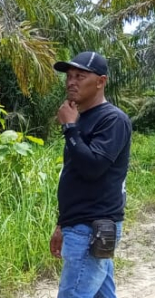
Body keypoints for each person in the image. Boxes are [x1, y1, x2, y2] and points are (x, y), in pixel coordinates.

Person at [50, 51, 132, 298]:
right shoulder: (81, 119)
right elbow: (74, 177)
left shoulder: (113, 119)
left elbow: (93, 167)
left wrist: (69, 128)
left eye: (80, 76)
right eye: (69, 76)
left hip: (93, 227)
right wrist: (62, 223)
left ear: (101, 81)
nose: (71, 81)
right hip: (80, 224)